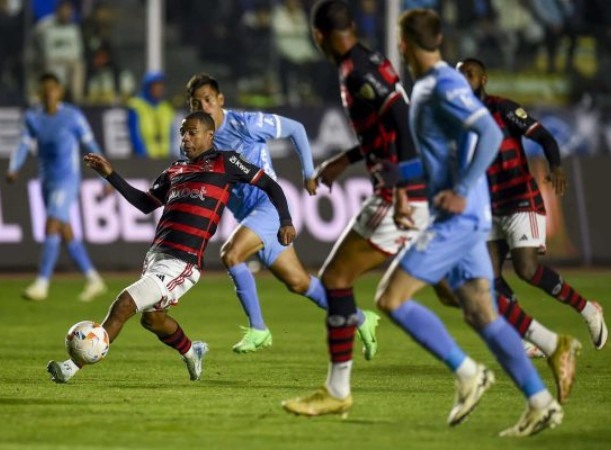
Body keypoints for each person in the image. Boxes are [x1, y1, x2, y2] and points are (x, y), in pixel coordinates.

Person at [285, 6, 563, 437]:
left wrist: (406, 188)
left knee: (368, 290)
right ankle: (542, 386)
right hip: (447, 206)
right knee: (474, 306)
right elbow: (395, 130)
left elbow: (450, 131)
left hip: (447, 209)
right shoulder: (393, 72)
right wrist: (349, 158)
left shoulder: (429, 83)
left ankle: (460, 373)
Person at [46, 111, 296, 383]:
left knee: (124, 304)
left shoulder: (226, 162)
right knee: (152, 320)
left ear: (209, 135)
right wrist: (111, 175)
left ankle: (71, 367)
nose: (185, 138)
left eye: (192, 133)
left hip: (183, 261)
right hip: (156, 256)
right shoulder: (175, 170)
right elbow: (145, 204)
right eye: (182, 133)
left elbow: (271, 185)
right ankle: (192, 352)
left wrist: (285, 221)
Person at [282, 0, 435, 411]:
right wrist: (343, 161)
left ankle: (337, 392)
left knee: (335, 278)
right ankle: (540, 343)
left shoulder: (356, 69)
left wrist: (401, 187)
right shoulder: (368, 58)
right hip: (407, 186)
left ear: (318, 36)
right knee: (460, 291)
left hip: (398, 192)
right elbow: (383, 128)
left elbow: (401, 120)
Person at [186, 73, 380, 356]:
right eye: (195, 102)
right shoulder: (201, 142)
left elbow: (297, 129)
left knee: (231, 255)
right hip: (248, 216)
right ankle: (362, 318)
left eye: (207, 100)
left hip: (269, 207)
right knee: (299, 282)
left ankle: (259, 328)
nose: (203, 107)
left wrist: (309, 172)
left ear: (220, 100)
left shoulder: (246, 124)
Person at [456, 57, 608, 355]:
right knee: (488, 277)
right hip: (489, 206)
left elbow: (544, 136)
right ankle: (527, 338)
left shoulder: (504, 108)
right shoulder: (460, 120)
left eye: (470, 74)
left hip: (520, 198)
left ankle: (589, 310)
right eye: (460, 75)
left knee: (526, 269)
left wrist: (557, 167)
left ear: (483, 78)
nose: (464, 80)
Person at [7, 72, 107, 302]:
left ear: (60, 91)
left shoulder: (72, 116)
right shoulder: (33, 118)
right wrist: (14, 167)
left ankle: (42, 283)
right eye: (44, 89)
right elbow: (22, 145)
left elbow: (90, 144)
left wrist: (105, 177)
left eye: (53, 88)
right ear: (39, 93)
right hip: (46, 180)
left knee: (52, 224)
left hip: (67, 179)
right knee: (65, 230)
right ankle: (93, 279)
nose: (48, 92)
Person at [127, 71, 177, 158]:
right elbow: (134, 135)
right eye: (156, 85)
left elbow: (172, 134)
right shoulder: (136, 106)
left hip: (165, 158)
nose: (160, 88)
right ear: (148, 87)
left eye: (161, 85)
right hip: (145, 158)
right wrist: (142, 154)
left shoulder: (166, 108)